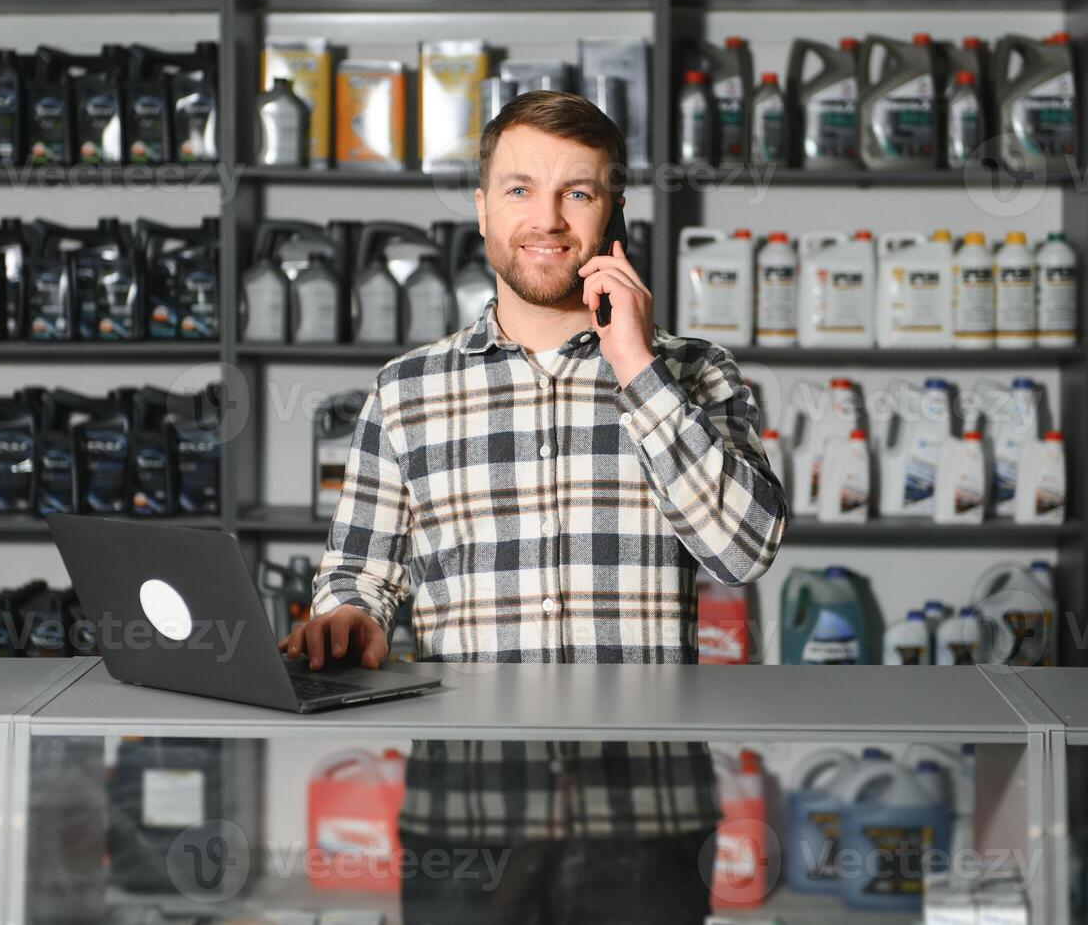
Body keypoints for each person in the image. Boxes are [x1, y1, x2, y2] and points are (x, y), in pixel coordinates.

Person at [279, 89, 787, 924]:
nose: (545, 219)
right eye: (519, 189)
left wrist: (636, 364)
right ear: (481, 210)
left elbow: (744, 552)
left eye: (576, 193)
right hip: (465, 817)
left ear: (611, 213)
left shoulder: (694, 373)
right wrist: (349, 618)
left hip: (647, 818)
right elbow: (356, 577)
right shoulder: (407, 391)